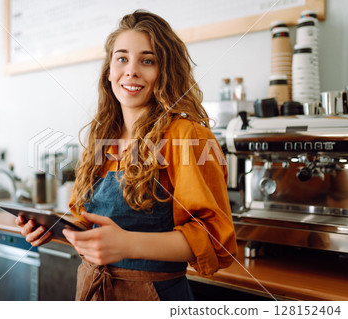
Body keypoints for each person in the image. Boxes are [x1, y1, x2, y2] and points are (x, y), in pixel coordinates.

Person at [16, 9, 237, 301]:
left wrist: (128, 244)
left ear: (165, 72)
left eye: (147, 61)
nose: (131, 70)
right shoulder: (102, 138)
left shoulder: (187, 136)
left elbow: (213, 238)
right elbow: (88, 220)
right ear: (109, 71)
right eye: (122, 58)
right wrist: (55, 229)